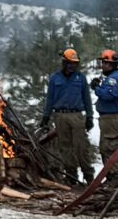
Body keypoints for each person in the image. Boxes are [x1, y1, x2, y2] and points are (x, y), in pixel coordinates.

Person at [38, 46, 93, 184]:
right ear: (64, 63)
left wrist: (90, 116)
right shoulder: (54, 78)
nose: (72, 67)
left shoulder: (81, 78)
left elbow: (87, 98)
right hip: (60, 116)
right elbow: (50, 99)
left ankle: (88, 176)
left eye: (75, 64)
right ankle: (71, 175)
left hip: (77, 116)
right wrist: (46, 117)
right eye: (69, 63)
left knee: (82, 147)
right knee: (65, 148)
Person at [92, 48, 118, 170]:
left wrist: (97, 89)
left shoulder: (114, 79)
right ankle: (111, 177)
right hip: (108, 118)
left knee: (111, 148)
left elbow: (109, 95)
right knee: (106, 148)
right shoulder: (113, 77)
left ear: (110, 64)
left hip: (112, 118)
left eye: (104, 63)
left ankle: (116, 177)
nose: (102, 65)